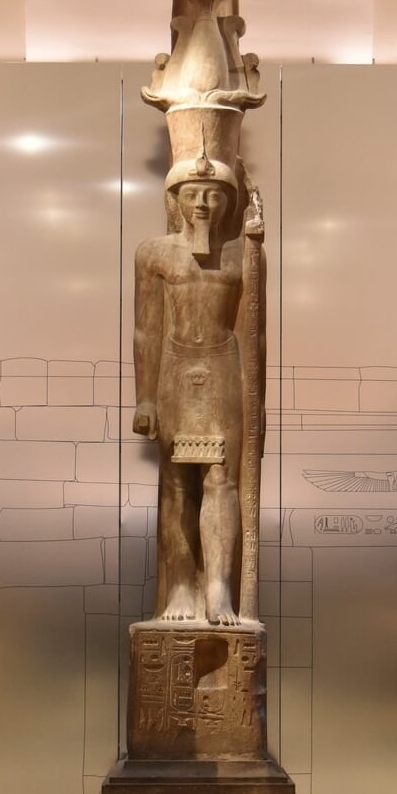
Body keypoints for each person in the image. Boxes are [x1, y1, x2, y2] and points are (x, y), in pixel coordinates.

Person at [133, 155, 250, 626]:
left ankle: (218, 589)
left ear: (229, 202)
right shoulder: (154, 254)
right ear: (174, 201)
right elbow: (146, 329)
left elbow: (256, 332)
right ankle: (181, 586)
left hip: (224, 370)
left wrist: (258, 401)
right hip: (175, 372)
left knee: (221, 481)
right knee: (177, 484)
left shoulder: (245, 254)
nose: (202, 204)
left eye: (214, 194)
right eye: (192, 194)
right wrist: (145, 397)